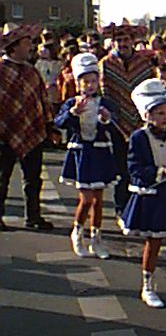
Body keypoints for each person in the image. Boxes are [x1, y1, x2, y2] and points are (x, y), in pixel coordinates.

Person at [121, 79, 166, 312]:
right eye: (159, 113)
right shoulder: (139, 138)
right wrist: (159, 173)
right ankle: (148, 285)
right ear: (147, 115)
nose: (164, 118)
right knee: (153, 242)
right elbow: (135, 168)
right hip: (152, 196)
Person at [55, 53, 118, 258]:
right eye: (86, 82)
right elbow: (60, 123)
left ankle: (96, 239)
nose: (90, 85)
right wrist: (73, 112)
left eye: (93, 81)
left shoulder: (105, 102)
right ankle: (77, 232)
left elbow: (115, 126)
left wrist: (107, 119)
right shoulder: (72, 102)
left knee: (99, 200)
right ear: (78, 83)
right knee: (87, 198)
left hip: (100, 152)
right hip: (82, 153)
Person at [99, 23, 157, 224]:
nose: (123, 44)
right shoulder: (106, 63)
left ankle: (140, 207)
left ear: (133, 41)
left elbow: (150, 89)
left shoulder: (144, 63)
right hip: (117, 123)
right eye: (119, 40)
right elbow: (105, 92)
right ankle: (121, 208)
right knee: (122, 168)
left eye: (126, 40)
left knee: (140, 166)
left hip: (141, 122)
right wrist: (111, 118)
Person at [0, 23, 55, 231]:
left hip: (32, 132)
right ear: (14, 46)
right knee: (2, 178)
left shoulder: (32, 71)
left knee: (33, 179)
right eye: (26, 43)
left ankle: (33, 216)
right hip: (3, 134)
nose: (30, 46)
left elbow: (41, 100)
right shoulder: (1, 70)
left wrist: (49, 126)